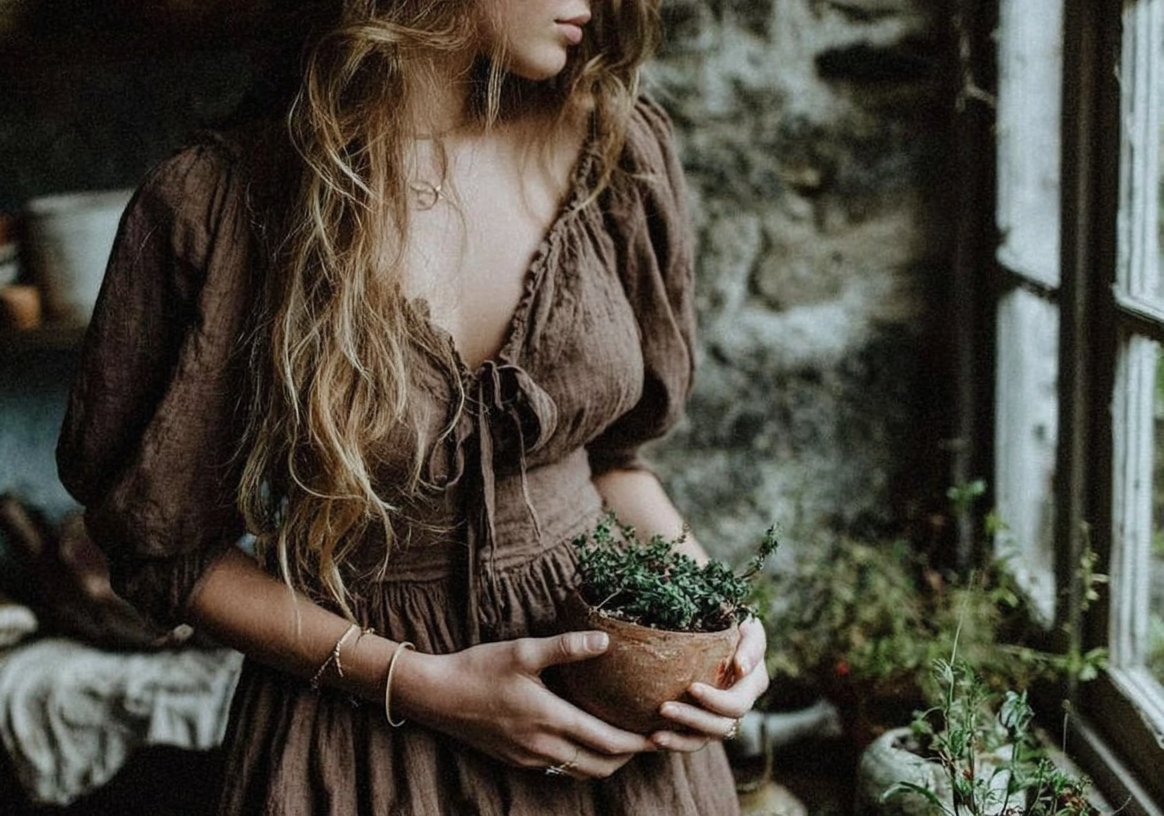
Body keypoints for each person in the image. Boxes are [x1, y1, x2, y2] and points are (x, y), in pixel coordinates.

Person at [56, 0, 770, 813]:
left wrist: (722, 628)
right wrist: (426, 687)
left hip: (610, 738)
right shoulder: (219, 202)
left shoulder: (611, 147)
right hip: (358, 744)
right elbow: (166, 553)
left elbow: (615, 463)